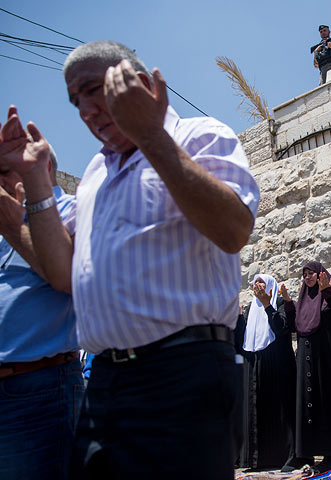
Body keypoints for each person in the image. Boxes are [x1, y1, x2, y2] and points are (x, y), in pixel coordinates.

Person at [0, 41, 259, 480]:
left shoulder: (200, 135)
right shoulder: (96, 174)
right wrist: (34, 179)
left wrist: (151, 136)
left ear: (139, 83)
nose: (84, 109)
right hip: (104, 385)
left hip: (182, 377)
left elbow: (233, 230)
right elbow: (63, 272)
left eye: (92, 89)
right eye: (74, 100)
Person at [0, 142, 83, 480]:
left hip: (38, 388)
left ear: (42, 169)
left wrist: (15, 226)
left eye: (4, 171)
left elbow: (70, 278)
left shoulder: (70, 211)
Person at [283, 261, 331, 474]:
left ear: (321, 274)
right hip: (310, 363)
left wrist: (327, 293)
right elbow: (296, 325)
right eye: (304, 274)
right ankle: (328, 455)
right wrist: (288, 303)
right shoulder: (304, 299)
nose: (308, 277)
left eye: (311, 273)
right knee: (319, 407)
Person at [234, 274, 296, 471]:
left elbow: (282, 328)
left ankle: (282, 456)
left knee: (278, 410)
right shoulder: (251, 308)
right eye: (255, 283)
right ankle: (256, 459)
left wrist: (268, 305)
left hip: (276, 366)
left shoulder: (277, 302)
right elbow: (243, 340)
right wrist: (237, 317)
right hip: (255, 366)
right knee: (257, 410)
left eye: (262, 282)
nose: (258, 286)